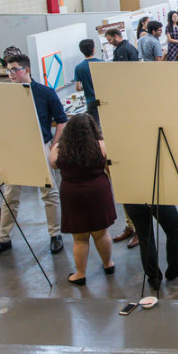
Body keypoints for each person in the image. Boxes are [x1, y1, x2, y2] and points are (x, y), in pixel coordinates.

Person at [0, 54, 67, 261]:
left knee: (49, 193)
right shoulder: (4, 95)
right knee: (10, 195)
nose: (10, 74)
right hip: (15, 149)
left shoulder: (45, 93)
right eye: (8, 71)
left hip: (41, 146)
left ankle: (54, 234)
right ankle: (3, 239)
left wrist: (53, 146)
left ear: (26, 70)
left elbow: (61, 121)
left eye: (14, 70)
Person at [50, 114, 116, 286]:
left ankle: (80, 274)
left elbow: (53, 164)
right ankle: (108, 265)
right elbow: (110, 169)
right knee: (101, 233)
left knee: (79, 238)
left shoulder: (59, 149)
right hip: (98, 192)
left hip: (72, 193)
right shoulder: (101, 146)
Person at [73, 39, 100, 124]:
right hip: (103, 99)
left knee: (95, 126)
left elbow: (78, 88)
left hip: (91, 101)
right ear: (93, 49)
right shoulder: (102, 64)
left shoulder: (79, 68)